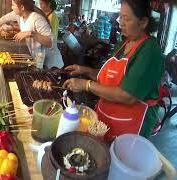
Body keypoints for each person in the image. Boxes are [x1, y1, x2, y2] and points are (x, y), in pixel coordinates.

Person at [63, 0, 164, 142]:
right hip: (106, 117)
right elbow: (109, 76)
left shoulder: (150, 51)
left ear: (143, 22)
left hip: (130, 125)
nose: (121, 22)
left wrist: (86, 85)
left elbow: (128, 95)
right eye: (120, 16)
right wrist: (84, 70)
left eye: (127, 18)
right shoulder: (124, 43)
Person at [0, 0, 64, 69]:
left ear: (22, 7)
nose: (12, 7)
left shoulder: (37, 19)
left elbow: (50, 42)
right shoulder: (19, 15)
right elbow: (2, 20)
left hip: (52, 65)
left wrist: (31, 34)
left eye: (13, 5)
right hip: (40, 61)